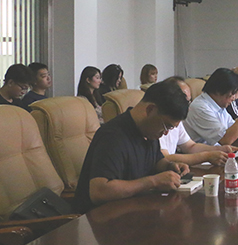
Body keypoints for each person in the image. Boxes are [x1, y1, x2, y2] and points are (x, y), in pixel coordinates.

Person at [74, 80, 192, 213]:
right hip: (101, 218)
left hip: (135, 211)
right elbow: (99, 191)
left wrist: (170, 166)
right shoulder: (113, 136)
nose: (165, 133)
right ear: (150, 110)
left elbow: (155, 161)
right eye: (167, 126)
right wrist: (153, 181)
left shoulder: (148, 130)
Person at [159, 77, 236, 166]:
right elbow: (164, 157)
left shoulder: (177, 120)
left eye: (189, 101)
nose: (188, 107)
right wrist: (207, 156)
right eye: (184, 101)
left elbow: (190, 146)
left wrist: (221, 149)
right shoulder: (159, 121)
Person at [184, 68, 238, 146]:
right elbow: (225, 140)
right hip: (200, 152)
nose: (234, 98)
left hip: (216, 150)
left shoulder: (219, 105)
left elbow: (234, 135)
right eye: (232, 94)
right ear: (219, 91)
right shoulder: (201, 108)